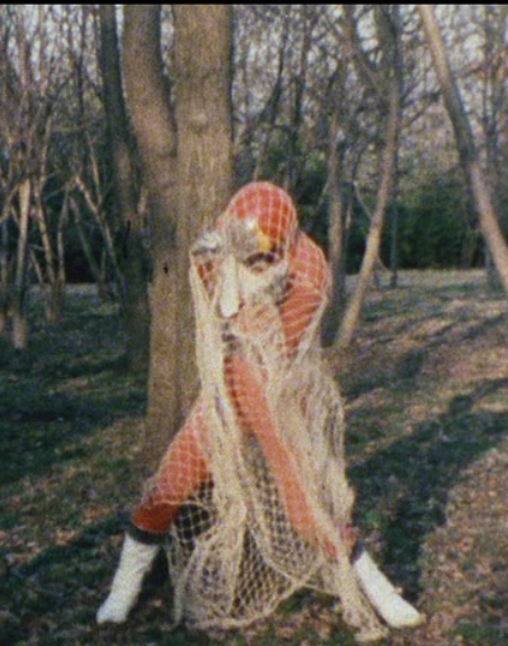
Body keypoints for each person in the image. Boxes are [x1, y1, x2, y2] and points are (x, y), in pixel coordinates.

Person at [97, 182, 423, 640]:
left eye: (261, 258)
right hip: (228, 386)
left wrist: (251, 305)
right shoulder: (234, 230)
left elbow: (273, 346)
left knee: (307, 510)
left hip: (273, 393)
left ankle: (378, 591)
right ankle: (123, 592)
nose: (252, 262)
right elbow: (212, 291)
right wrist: (209, 264)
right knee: (169, 484)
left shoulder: (309, 270)